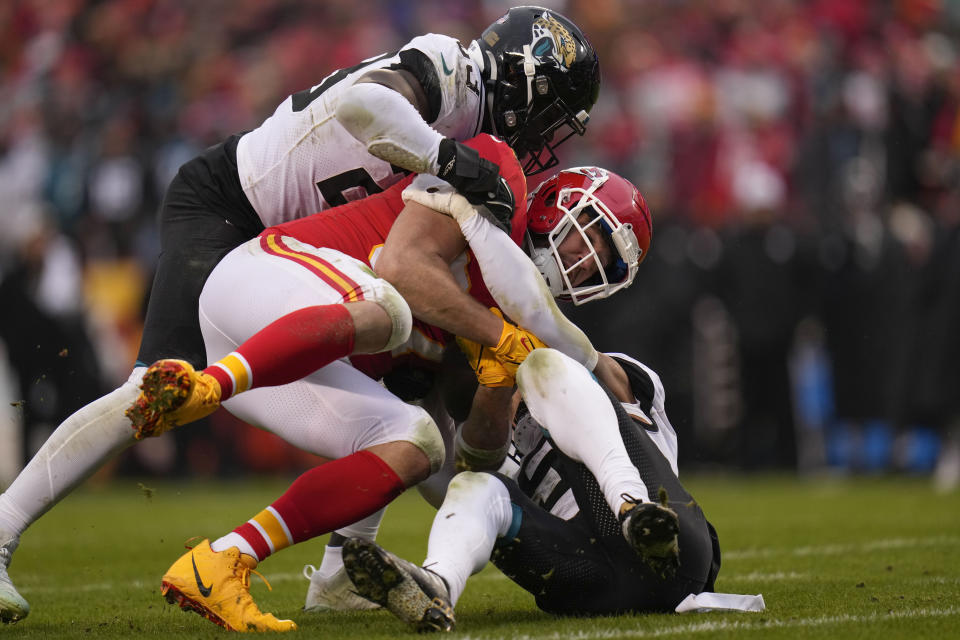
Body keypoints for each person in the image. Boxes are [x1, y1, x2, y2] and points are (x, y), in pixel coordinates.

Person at [0, 6, 601, 623]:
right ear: (531, 80)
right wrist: (446, 158)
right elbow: (363, 107)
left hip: (300, 246)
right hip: (232, 208)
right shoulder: (455, 72)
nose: (542, 137)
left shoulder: (477, 127)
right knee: (156, 387)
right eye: (552, 116)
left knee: (405, 392)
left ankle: (345, 565)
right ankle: (2, 529)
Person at [132, 146, 653, 631]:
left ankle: (226, 559)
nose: (583, 262)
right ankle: (204, 385)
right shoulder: (495, 180)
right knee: (390, 310)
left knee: (416, 442)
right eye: (585, 236)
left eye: (600, 262)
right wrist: (501, 336)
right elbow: (401, 269)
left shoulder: (519, 323)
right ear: (552, 207)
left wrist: (496, 384)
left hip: (298, 355)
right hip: (267, 282)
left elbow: (471, 457)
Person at [342, 346, 720, 632]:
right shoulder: (472, 446)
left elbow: (584, 363)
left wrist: (522, 339)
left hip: (674, 550)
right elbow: (433, 461)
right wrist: (420, 390)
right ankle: (437, 583)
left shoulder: (574, 372)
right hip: (589, 578)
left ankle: (631, 504)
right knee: (474, 484)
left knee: (549, 365)